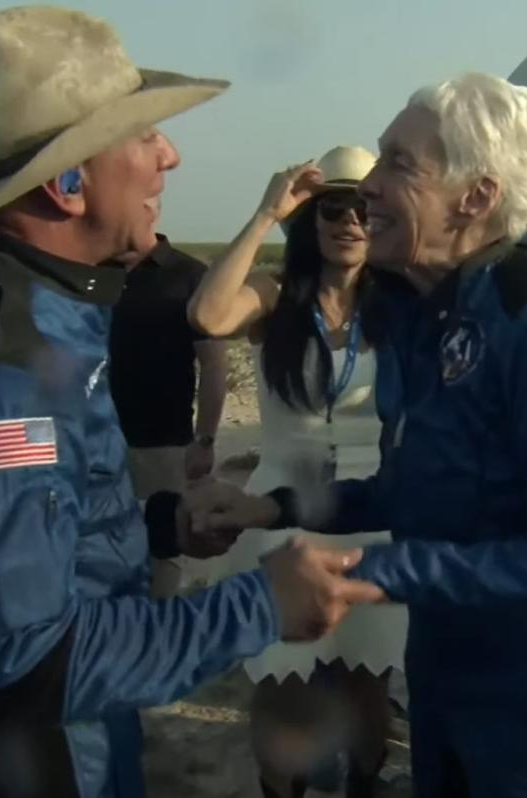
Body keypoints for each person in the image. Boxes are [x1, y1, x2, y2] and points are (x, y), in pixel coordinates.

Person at [0, 8, 383, 798]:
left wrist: (164, 524)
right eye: (142, 138)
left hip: (80, 742)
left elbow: (47, 535)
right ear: (67, 184)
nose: (170, 155)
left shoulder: (49, 313)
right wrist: (257, 605)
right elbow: (29, 662)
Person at [188, 72, 527, 797]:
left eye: (397, 163)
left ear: (476, 196)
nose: (367, 188)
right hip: (446, 654)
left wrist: (370, 574)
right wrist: (274, 509)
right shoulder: (421, 314)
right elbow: (417, 488)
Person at [187, 145, 408, 798]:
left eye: (364, 207)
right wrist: (264, 215)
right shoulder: (278, 297)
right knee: (286, 683)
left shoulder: (398, 306)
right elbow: (207, 314)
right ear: (310, 221)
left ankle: (366, 785)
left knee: (369, 682)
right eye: (332, 208)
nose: (349, 222)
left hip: (372, 519)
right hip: (280, 520)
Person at [108, 233, 228, 598]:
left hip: (163, 446)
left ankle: (157, 642)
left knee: (161, 554)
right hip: (93, 444)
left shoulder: (188, 275)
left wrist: (204, 439)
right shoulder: (90, 270)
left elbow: (213, 365)